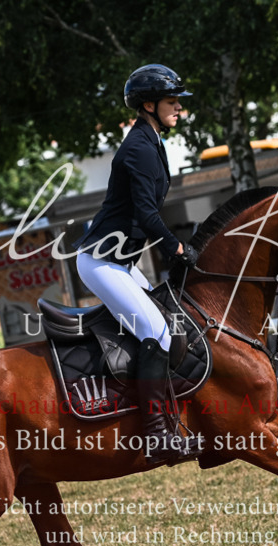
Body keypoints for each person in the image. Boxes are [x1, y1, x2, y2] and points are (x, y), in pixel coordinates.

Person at [74, 64, 199, 463]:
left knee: (166, 326)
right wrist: (174, 248)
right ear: (149, 104)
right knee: (157, 330)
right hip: (101, 262)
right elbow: (146, 213)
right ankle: (154, 434)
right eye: (172, 102)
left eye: (178, 102)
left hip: (122, 263)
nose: (179, 108)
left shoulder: (152, 141)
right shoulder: (140, 148)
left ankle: (163, 416)